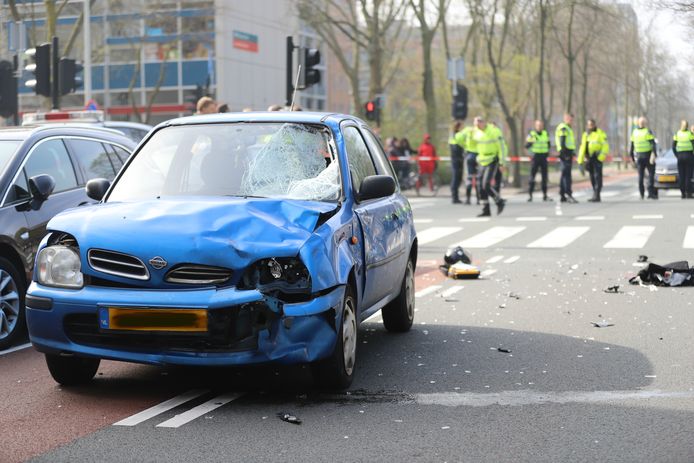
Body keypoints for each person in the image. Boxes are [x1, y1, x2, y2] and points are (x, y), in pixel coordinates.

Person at [471, 116, 506, 217]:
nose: (478, 125)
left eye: (480, 122)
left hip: (492, 159)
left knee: (485, 184)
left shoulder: (494, 131)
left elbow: (502, 147)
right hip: (482, 161)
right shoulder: (475, 132)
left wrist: (502, 163)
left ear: (484, 122)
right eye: (476, 124)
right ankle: (486, 210)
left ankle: (499, 201)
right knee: (480, 186)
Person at [578, 118, 609, 202]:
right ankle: (595, 194)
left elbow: (605, 147)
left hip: (597, 158)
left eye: (591, 125)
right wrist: (580, 161)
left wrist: (600, 158)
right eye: (589, 125)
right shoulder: (585, 134)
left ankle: (597, 194)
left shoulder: (600, 134)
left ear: (595, 125)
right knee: (592, 177)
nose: (590, 126)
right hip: (588, 159)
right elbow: (582, 148)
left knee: (598, 177)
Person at [630, 117, 658, 200]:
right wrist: (654, 154)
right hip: (648, 156)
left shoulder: (634, 132)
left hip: (639, 157)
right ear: (645, 123)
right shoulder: (647, 131)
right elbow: (652, 144)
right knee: (651, 174)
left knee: (640, 176)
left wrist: (632, 158)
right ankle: (650, 193)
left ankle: (641, 194)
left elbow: (631, 147)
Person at [526, 119, 552, 202]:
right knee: (532, 177)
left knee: (544, 177)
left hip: (543, 158)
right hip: (535, 157)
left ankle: (545, 195)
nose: (540, 127)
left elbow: (548, 145)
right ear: (535, 126)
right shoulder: (532, 134)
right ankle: (530, 195)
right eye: (538, 125)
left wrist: (547, 153)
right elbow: (526, 146)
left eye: (541, 125)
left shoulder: (545, 134)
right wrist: (532, 142)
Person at [555, 113, 578, 203]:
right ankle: (568, 194)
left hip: (567, 152)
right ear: (565, 118)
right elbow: (562, 141)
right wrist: (565, 154)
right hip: (565, 153)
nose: (571, 121)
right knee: (567, 175)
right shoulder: (564, 128)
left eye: (572, 119)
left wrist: (572, 152)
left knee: (564, 174)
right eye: (569, 119)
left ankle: (562, 194)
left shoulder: (568, 128)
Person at [673, 120, 694, 199]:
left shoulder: (677, 134)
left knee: (681, 175)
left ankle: (682, 193)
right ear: (687, 126)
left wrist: (677, 155)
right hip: (689, 156)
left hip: (680, 156)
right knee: (688, 176)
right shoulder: (690, 134)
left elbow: (673, 146)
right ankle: (688, 193)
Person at [459, 124, 479, 205]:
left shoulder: (467, 130)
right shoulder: (480, 131)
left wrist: (464, 145)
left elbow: (457, 138)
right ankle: (478, 199)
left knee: (469, 178)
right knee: (478, 179)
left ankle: (468, 199)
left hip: (469, 155)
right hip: (479, 156)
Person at [449, 122, 464, 203]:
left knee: (458, 178)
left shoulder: (455, 135)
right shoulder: (455, 136)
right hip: (456, 160)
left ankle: (456, 197)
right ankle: (454, 197)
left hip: (458, 159)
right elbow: (456, 149)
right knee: (456, 178)